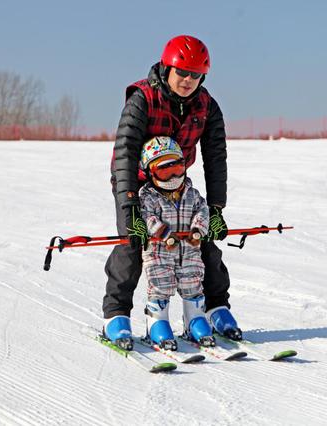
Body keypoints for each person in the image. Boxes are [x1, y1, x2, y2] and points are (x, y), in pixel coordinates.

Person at [103, 35, 242, 351]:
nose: (188, 81)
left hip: (173, 181)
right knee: (133, 242)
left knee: (200, 240)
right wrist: (130, 205)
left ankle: (216, 307)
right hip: (135, 182)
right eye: (182, 73)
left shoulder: (207, 106)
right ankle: (116, 315)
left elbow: (215, 157)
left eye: (195, 75)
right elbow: (124, 151)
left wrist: (216, 208)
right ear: (167, 68)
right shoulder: (143, 99)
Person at [138, 136, 215, 350]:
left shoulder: (192, 193)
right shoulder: (148, 196)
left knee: (192, 282)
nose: (174, 176)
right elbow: (147, 217)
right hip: (158, 252)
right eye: (165, 170)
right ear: (151, 172)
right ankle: (157, 323)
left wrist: (198, 230)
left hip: (189, 250)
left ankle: (195, 320)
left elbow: (202, 210)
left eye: (178, 168)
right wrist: (163, 233)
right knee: (160, 285)